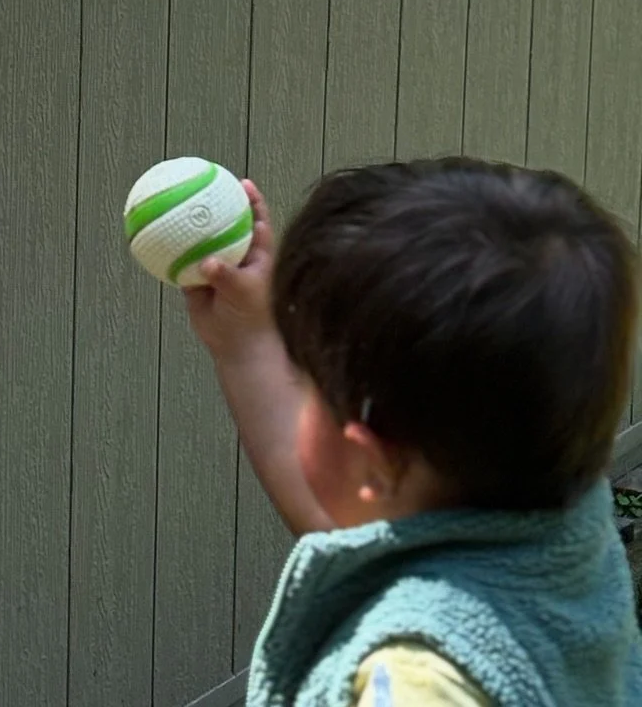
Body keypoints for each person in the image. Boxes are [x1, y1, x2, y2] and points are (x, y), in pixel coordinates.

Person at [185, 158, 642, 706]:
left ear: (373, 463)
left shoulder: (418, 681)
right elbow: (345, 512)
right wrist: (248, 340)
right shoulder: (563, 517)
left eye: (303, 376)